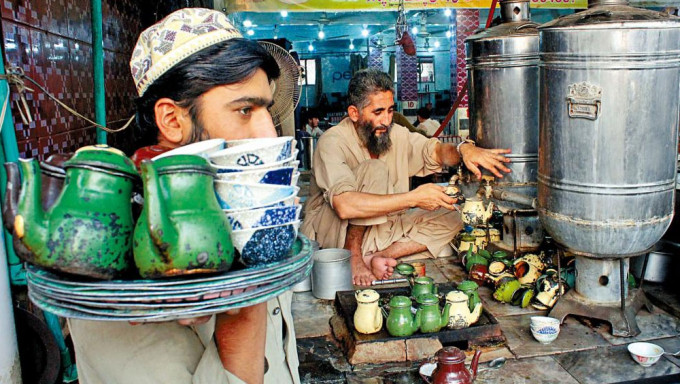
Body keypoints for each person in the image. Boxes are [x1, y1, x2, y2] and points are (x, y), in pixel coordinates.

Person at [67, 9, 300, 384]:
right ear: (173, 120)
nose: (269, 135)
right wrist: (244, 306)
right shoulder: (120, 261)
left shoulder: (242, 208)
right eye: (244, 110)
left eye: (266, 110)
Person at [301, 69, 511, 286]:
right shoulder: (332, 141)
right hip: (336, 234)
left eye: (391, 111)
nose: (386, 120)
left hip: (382, 228)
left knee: (455, 215)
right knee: (375, 169)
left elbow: (435, 152)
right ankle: (353, 256)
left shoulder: (394, 134)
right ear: (354, 113)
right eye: (378, 112)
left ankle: (379, 256)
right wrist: (413, 198)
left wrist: (463, 150)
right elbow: (344, 206)